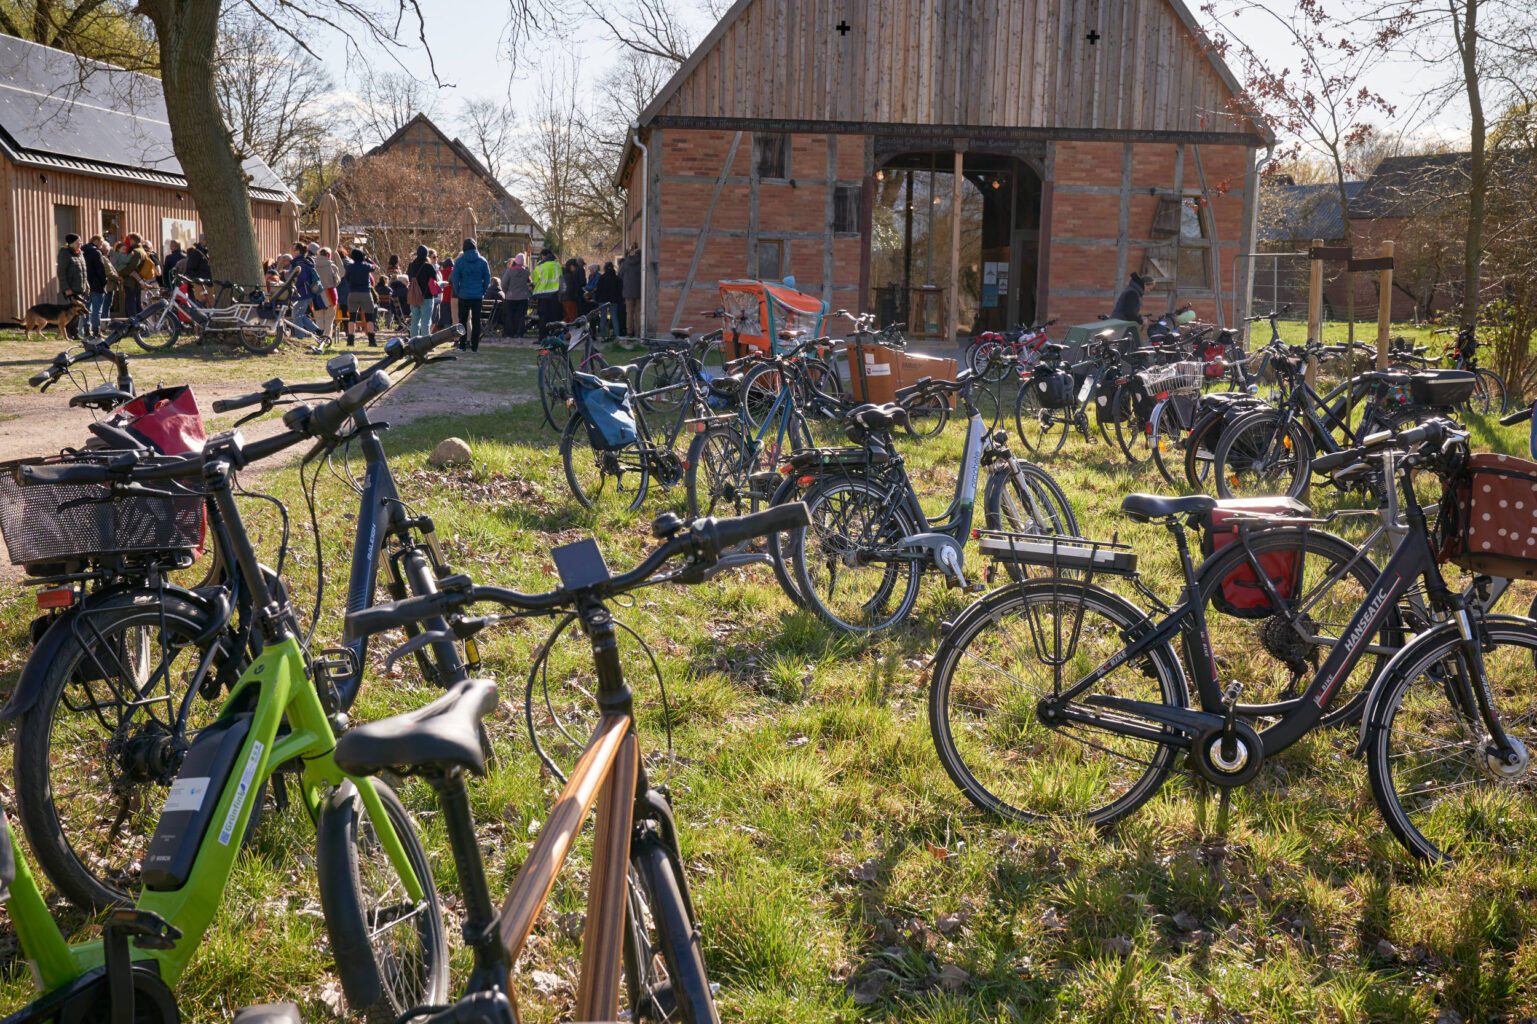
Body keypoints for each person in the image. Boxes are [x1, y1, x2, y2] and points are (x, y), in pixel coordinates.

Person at [449, 237, 490, 352]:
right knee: (476, 321)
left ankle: (462, 345)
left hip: (464, 295)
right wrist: (483, 291)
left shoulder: (460, 261)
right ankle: (475, 346)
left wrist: (458, 291)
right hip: (477, 296)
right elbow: (487, 278)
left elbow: (455, 279)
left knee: (462, 320)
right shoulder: (482, 261)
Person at [343, 247, 380, 346]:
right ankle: (372, 341)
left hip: (353, 292)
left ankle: (350, 340)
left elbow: (347, 279)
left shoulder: (349, 267)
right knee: (369, 317)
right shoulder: (366, 266)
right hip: (366, 293)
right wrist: (368, 259)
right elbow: (375, 267)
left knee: (352, 317)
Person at [56, 233, 89, 338]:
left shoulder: (80, 253)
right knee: (73, 312)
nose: (80, 243)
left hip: (80, 288)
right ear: (71, 243)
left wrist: (87, 285)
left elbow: (83, 272)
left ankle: (73, 333)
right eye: (78, 241)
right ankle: (70, 333)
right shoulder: (65, 253)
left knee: (78, 312)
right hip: (71, 289)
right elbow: (61, 272)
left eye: (80, 241)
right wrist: (67, 288)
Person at [82, 235, 111, 338]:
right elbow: (100, 270)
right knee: (97, 310)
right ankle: (96, 331)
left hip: (84, 285)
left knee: (85, 309)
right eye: (101, 241)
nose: (102, 244)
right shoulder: (96, 252)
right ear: (97, 240)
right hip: (97, 285)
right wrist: (104, 282)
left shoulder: (82, 250)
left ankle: (86, 330)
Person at [120, 234, 155, 317]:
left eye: (128, 240)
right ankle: (140, 325)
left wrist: (121, 273)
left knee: (131, 306)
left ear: (132, 240)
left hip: (131, 282)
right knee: (137, 305)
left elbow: (131, 267)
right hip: (136, 282)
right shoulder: (141, 250)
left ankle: (134, 326)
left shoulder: (136, 252)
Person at [407, 245, 437, 338]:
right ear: (427, 254)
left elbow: (409, 279)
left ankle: (413, 342)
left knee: (415, 321)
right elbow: (434, 282)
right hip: (426, 297)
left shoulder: (411, 266)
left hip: (414, 296)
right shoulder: (428, 267)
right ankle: (425, 344)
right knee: (426, 322)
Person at [500, 253, 532, 338]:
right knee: (521, 317)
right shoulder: (526, 272)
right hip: (523, 297)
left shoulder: (509, 271)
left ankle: (509, 335)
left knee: (509, 316)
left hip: (510, 297)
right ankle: (520, 335)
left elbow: (503, 283)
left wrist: (506, 291)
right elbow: (530, 283)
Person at [314, 246, 342, 340]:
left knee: (319, 318)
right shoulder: (332, 266)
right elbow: (337, 281)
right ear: (328, 255)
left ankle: (319, 338)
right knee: (329, 318)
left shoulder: (313, 265)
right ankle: (327, 338)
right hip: (330, 293)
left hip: (317, 293)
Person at [532, 248, 562, 330]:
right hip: (554, 295)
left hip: (542, 296)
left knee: (543, 317)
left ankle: (542, 337)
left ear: (543, 256)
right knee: (554, 316)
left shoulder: (540, 266)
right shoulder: (557, 265)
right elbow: (561, 280)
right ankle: (553, 336)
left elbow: (534, 280)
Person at [595, 260, 623, 338]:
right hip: (614, 300)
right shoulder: (617, 278)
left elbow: (598, 289)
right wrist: (619, 300)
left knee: (603, 318)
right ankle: (617, 336)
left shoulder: (602, 277)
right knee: (614, 318)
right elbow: (619, 290)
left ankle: (603, 336)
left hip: (603, 300)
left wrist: (597, 299)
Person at [620, 246, 641, 339]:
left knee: (629, 313)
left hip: (628, 292)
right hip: (639, 291)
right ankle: (639, 332)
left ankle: (629, 332)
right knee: (638, 313)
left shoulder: (626, 263)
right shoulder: (642, 262)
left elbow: (620, 275)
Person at [437, 257, 455, 329]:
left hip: (443, 299)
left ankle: (446, 335)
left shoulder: (441, 273)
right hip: (454, 297)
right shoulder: (455, 271)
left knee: (445, 319)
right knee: (454, 317)